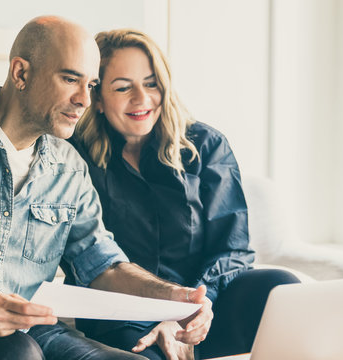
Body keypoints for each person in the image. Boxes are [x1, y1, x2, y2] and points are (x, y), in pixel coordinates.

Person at [0, 17, 213, 360]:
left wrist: (175, 297)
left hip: (35, 332)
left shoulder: (70, 167)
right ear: (21, 73)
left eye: (90, 85)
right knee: (16, 353)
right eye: (70, 79)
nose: (84, 101)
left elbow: (103, 266)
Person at [70, 29, 301, 360]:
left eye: (151, 83)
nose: (142, 98)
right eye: (123, 87)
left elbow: (232, 248)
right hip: (121, 314)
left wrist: (193, 306)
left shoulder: (206, 145)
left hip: (207, 305)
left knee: (280, 285)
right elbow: (85, 260)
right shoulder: (73, 157)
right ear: (99, 98)